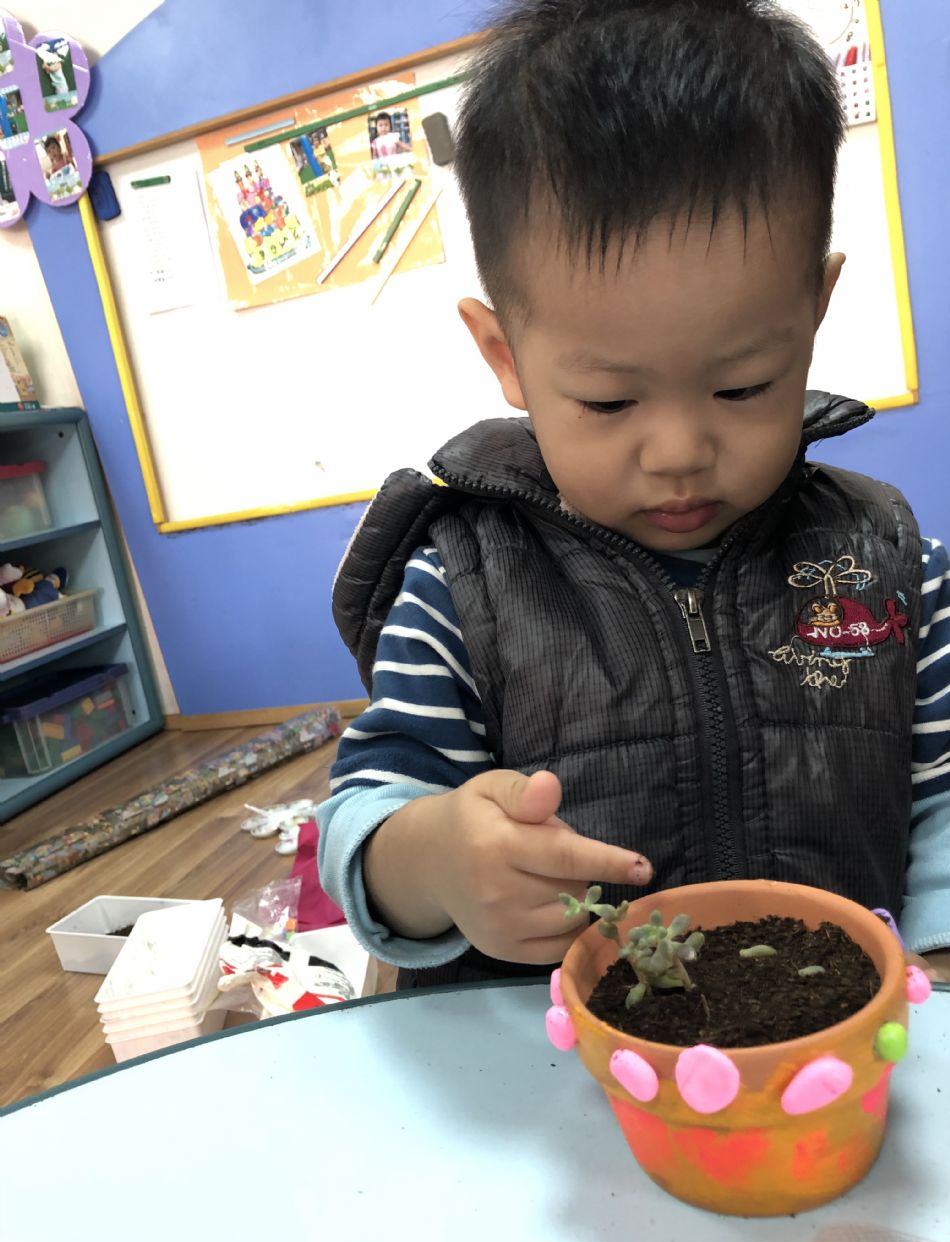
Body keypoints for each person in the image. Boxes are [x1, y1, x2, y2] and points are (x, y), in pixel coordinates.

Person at [317, 0, 950, 989]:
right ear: (504, 355)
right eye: (610, 401)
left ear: (815, 311)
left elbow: (940, 795)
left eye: (743, 386)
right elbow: (365, 816)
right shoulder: (461, 589)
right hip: (548, 1061)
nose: (679, 452)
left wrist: (933, 962)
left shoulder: (889, 563)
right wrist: (438, 860)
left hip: (832, 1050)